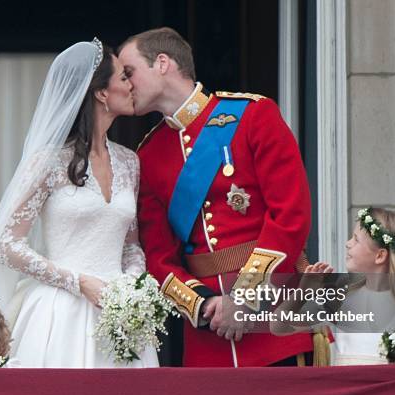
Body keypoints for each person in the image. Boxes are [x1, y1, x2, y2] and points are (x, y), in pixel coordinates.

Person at [118, 28, 314, 367]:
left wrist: (245, 297)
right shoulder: (148, 154)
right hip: (209, 335)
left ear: (162, 63)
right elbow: (159, 258)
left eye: (129, 72)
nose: (124, 84)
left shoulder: (253, 115)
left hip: (274, 318)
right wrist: (203, 304)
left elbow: (290, 216)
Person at [0, 39, 158, 368]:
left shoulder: (130, 162)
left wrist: (132, 286)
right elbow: (6, 242)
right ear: (101, 92)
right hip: (60, 312)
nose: (131, 85)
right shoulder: (49, 162)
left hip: (121, 316)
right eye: (123, 78)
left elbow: (131, 245)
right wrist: (78, 282)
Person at [273, 207, 395, 365]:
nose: (348, 243)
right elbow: (279, 327)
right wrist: (303, 292)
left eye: (356, 240)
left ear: (380, 256)